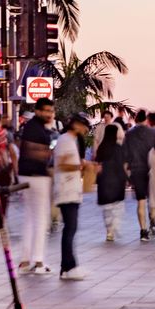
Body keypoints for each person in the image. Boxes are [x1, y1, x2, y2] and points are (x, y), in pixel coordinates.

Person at [16, 98, 55, 276]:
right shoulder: (37, 129)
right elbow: (41, 153)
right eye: (46, 111)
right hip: (38, 176)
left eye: (51, 111)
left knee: (30, 219)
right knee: (41, 220)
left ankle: (25, 260)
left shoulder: (31, 126)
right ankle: (38, 261)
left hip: (25, 175)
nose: (48, 114)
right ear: (38, 110)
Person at [55, 113, 91, 280]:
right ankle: (69, 267)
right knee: (70, 229)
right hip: (66, 190)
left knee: (71, 229)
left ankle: (67, 266)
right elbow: (61, 164)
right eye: (84, 125)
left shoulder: (71, 141)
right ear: (76, 125)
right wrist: (80, 165)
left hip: (71, 190)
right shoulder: (64, 140)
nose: (85, 129)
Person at [123, 110, 155, 242]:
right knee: (153, 199)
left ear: (136, 119)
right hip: (152, 169)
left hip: (136, 170)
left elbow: (125, 155)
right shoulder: (154, 133)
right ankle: (153, 222)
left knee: (141, 202)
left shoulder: (129, 134)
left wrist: (126, 175)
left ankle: (143, 231)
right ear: (146, 120)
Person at [94, 123, 127, 242]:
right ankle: (115, 226)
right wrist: (127, 178)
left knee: (106, 207)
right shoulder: (119, 148)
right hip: (117, 179)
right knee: (117, 205)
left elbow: (97, 165)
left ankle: (109, 231)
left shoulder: (102, 147)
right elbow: (123, 164)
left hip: (104, 180)